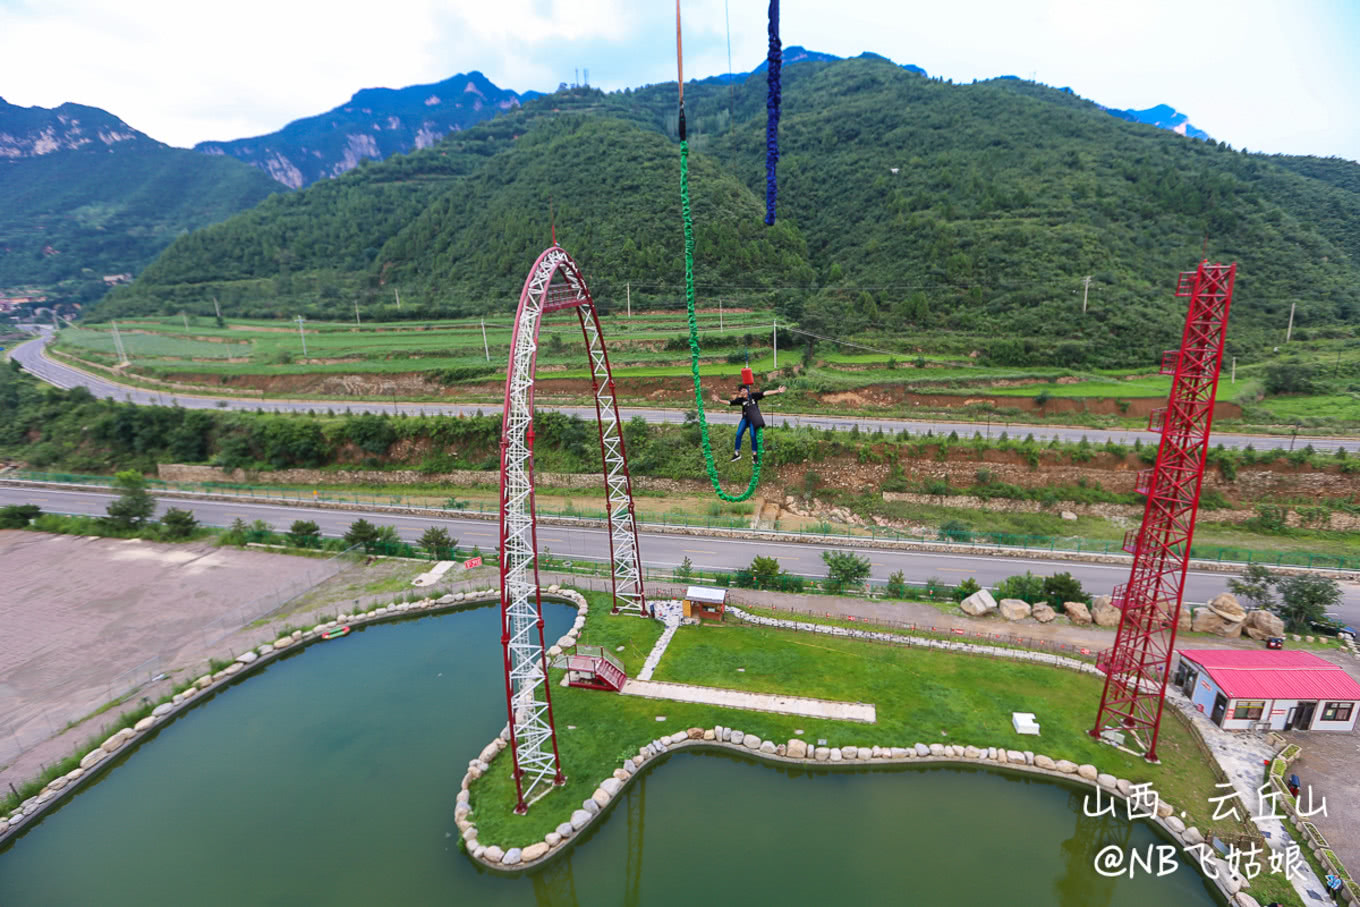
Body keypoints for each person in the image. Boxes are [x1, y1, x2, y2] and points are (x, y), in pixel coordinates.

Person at [723, 383, 786, 461]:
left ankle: (754, 455)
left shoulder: (754, 396)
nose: (743, 391)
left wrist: (777, 391)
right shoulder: (740, 400)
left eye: (744, 390)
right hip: (745, 419)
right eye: (741, 391)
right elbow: (729, 403)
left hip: (753, 419)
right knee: (738, 434)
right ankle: (737, 453)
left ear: (747, 390)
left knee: (753, 435)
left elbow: (765, 393)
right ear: (740, 393)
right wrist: (719, 400)